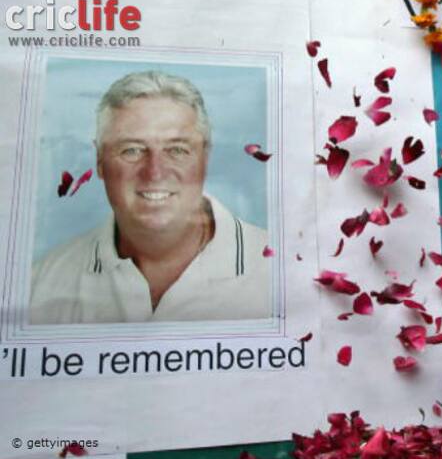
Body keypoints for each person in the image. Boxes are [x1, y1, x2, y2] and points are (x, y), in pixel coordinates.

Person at [29, 71, 273, 324]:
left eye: (177, 150)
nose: (154, 172)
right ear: (100, 160)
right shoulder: (40, 284)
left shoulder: (280, 270)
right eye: (132, 150)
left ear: (205, 157)